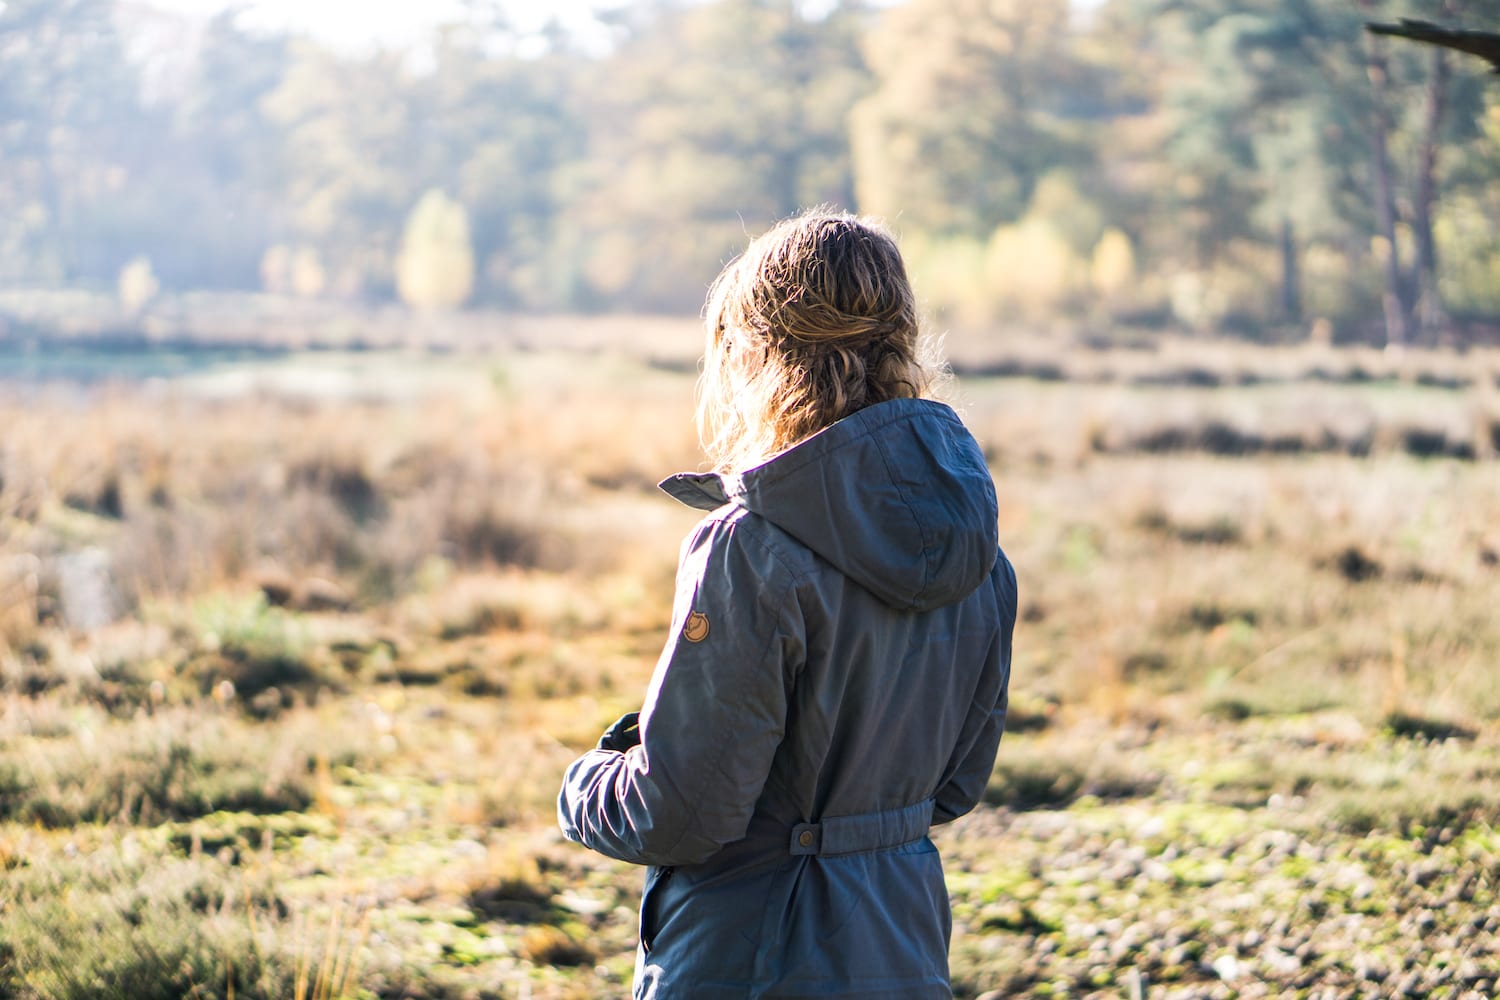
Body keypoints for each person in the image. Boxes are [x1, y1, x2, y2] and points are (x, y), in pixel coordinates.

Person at [558, 209, 1018, 1000]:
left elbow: (681, 814)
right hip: (901, 945)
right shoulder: (982, 556)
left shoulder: (749, 548)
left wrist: (585, 786)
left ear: (761, 352)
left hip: (749, 961)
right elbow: (954, 786)